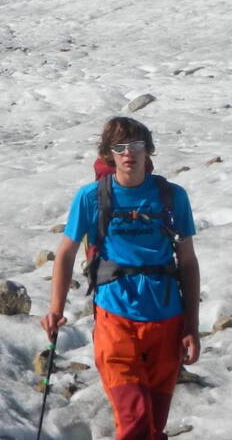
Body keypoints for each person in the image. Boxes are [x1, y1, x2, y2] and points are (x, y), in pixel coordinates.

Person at [41, 117, 200, 440]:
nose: (129, 153)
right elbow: (66, 253)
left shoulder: (172, 197)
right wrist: (55, 309)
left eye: (136, 146)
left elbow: (187, 261)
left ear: (148, 151)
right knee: (136, 422)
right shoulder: (91, 197)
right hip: (116, 320)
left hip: (167, 321)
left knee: (153, 426)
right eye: (120, 147)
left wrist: (191, 326)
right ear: (109, 154)